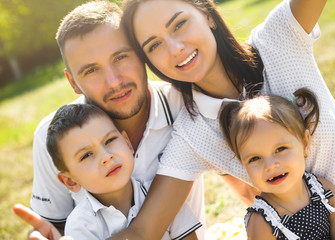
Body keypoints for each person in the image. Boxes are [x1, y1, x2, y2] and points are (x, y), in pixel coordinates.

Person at [100, 0, 335, 238]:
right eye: (154, 45)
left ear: (207, 15)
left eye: (179, 24)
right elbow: (143, 231)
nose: (175, 49)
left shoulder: (278, 39)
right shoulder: (194, 134)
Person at [13, 1, 206, 239]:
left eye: (120, 57)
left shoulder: (187, 107)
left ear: (141, 53)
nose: (114, 81)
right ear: (72, 82)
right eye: (91, 70)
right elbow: (52, 227)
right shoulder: (51, 136)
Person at [46, 103, 201, 239]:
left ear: (127, 144)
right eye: (86, 155)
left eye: (110, 140)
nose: (106, 157)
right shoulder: (80, 225)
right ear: (70, 181)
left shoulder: (161, 194)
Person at [219, 88, 335, 239]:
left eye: (280, 149)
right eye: (255, 158)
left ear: (305, 143)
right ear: (242, 163)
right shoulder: (262, 222)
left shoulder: (323, 190)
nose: (270, 165)